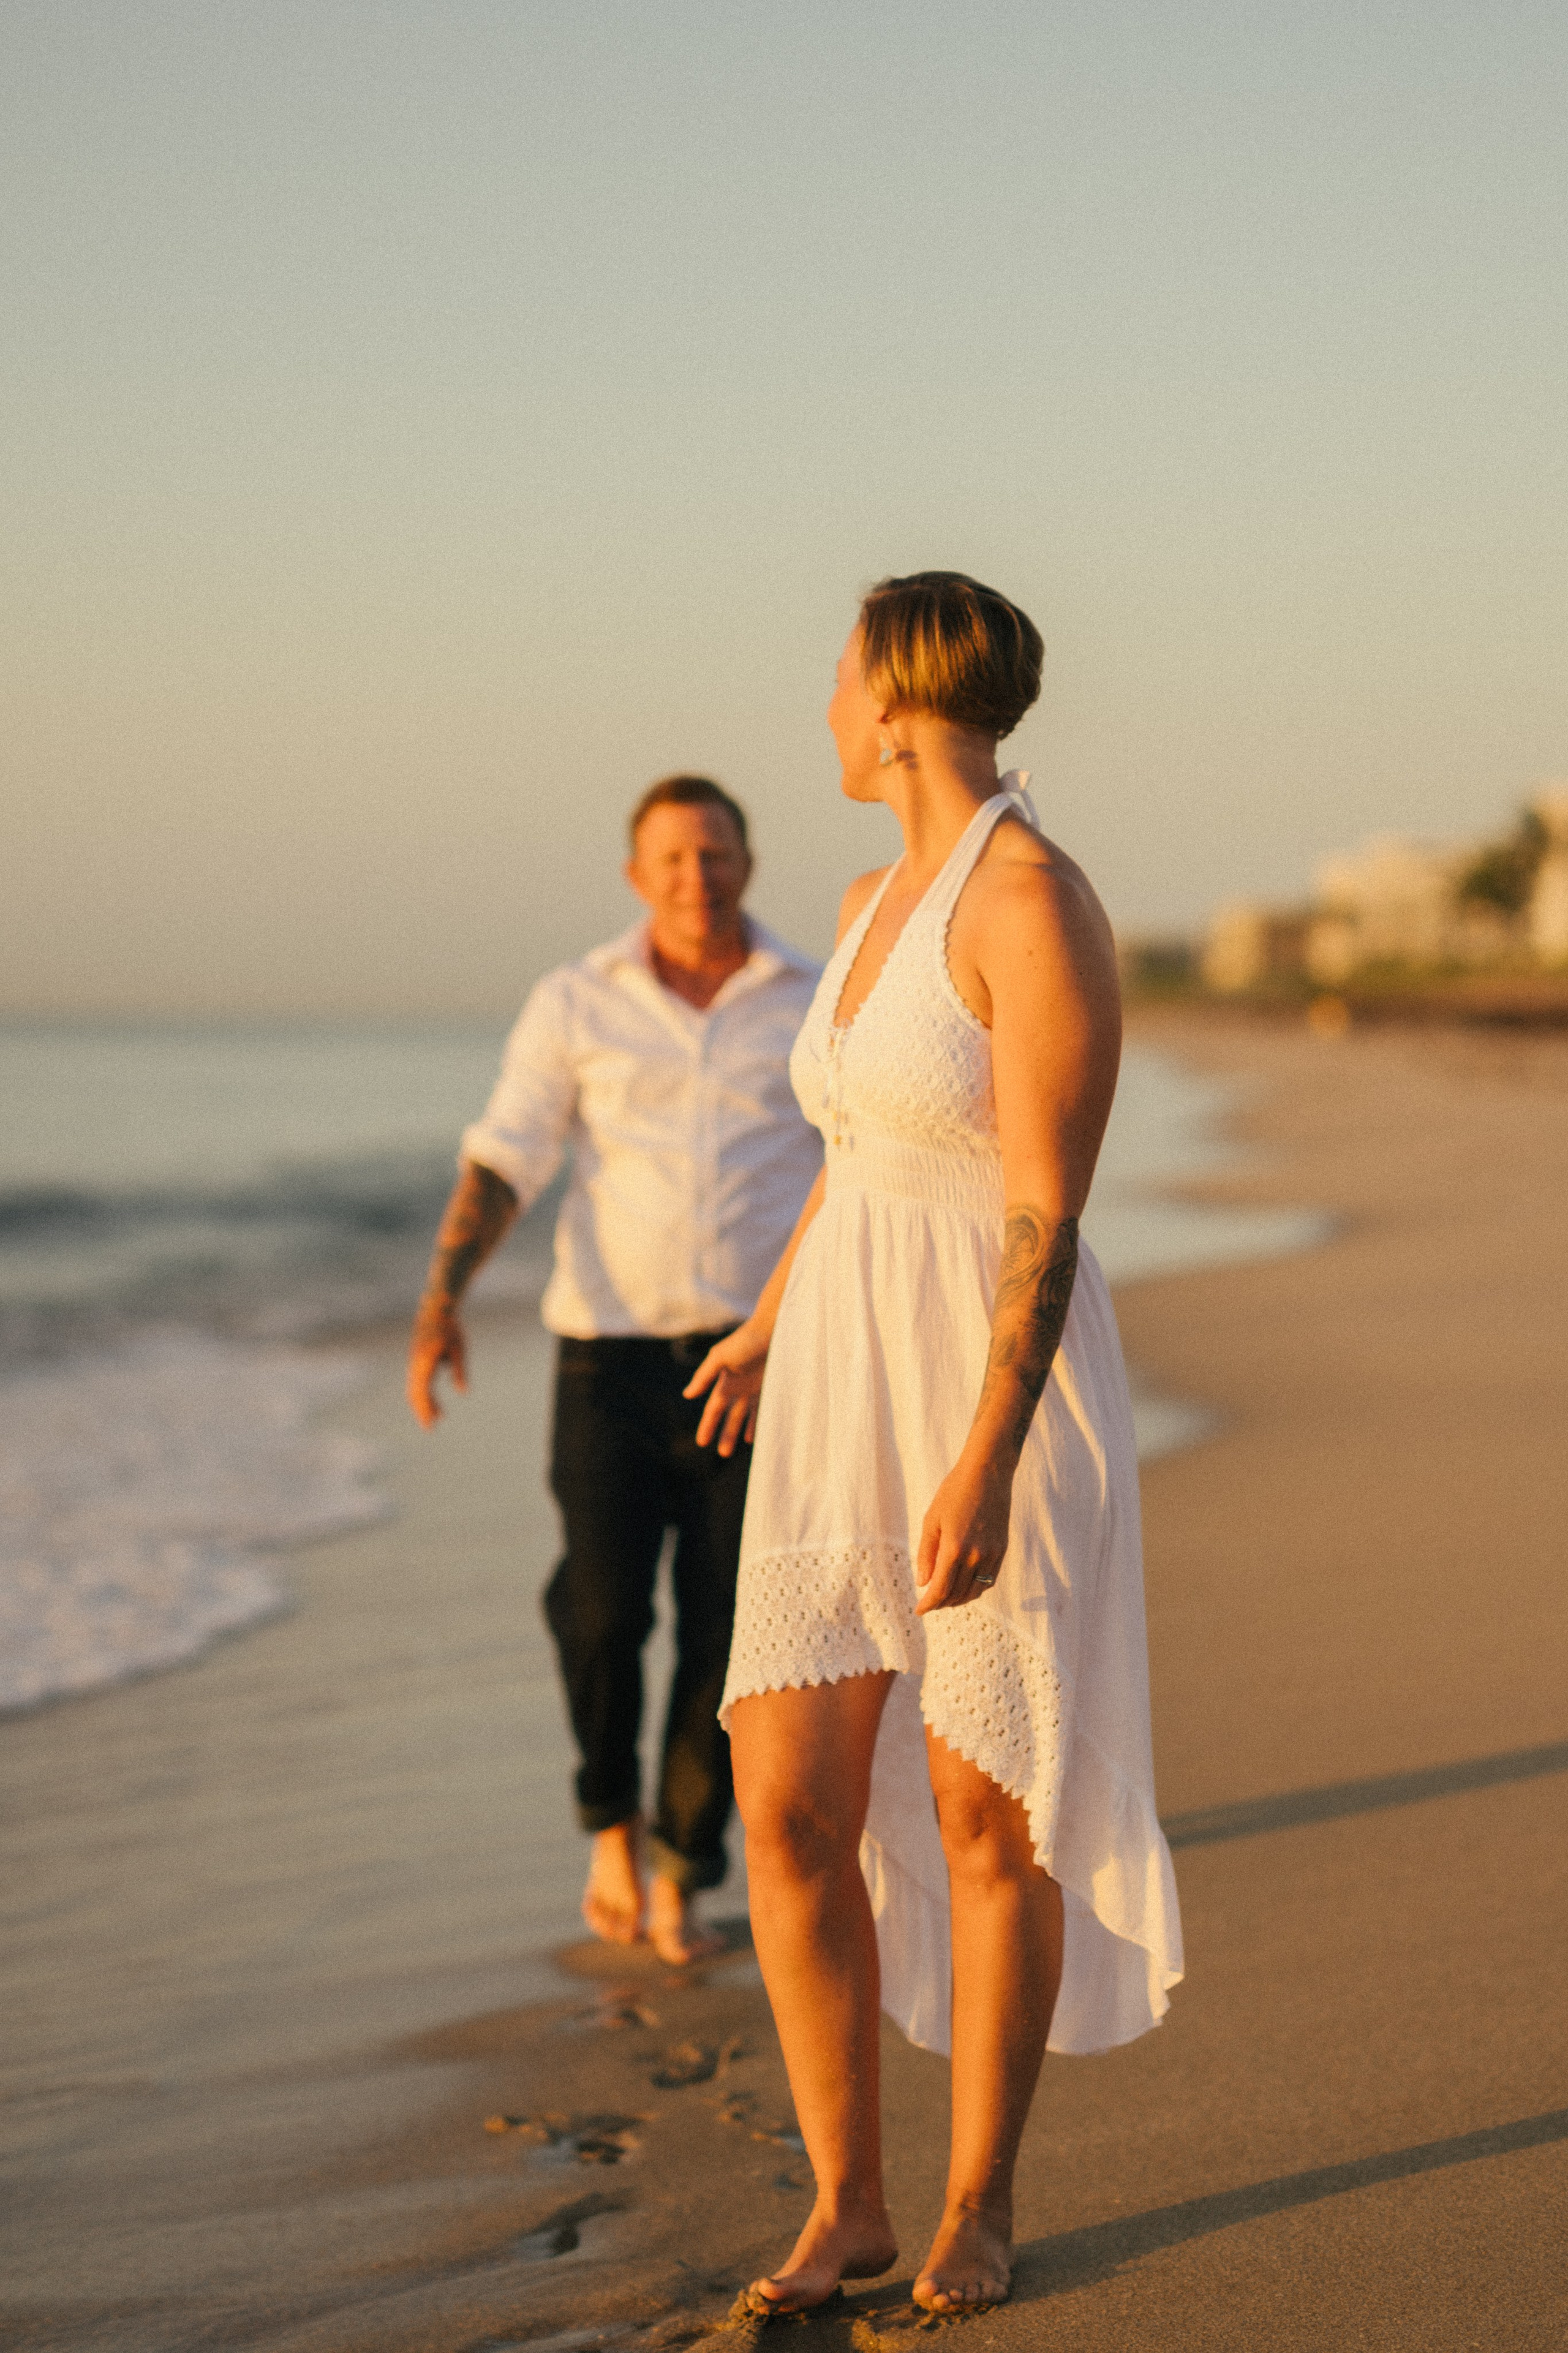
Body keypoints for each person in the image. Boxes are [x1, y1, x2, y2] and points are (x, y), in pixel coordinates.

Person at [687, 575, 1183, 2313]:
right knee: (784, 1798)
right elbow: (863, 1149)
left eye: (837, 676)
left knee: (991, 1813)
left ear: (899, 703)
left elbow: (1040, 1210)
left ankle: (979, 2201)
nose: (821, 705)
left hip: (991, 1393)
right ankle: (848, 2202)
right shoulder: (869, 894)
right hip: (836, 1385)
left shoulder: (1032, 902)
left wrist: (987, 1448)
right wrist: (766, 1315)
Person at [407, 774, 821, 1966]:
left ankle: (686, 1860)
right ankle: (609, 1821)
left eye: (717, 853)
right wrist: (441, 1302)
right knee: (597, 1610)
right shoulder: (576, 999)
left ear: (749, 861)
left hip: (755, 1362)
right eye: (674, 858)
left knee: (727, 1627)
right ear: (637, 875)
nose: (698, 876)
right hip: (604, 1363)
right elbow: (507, 1156)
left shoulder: (801, 997)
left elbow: (853, 1170)